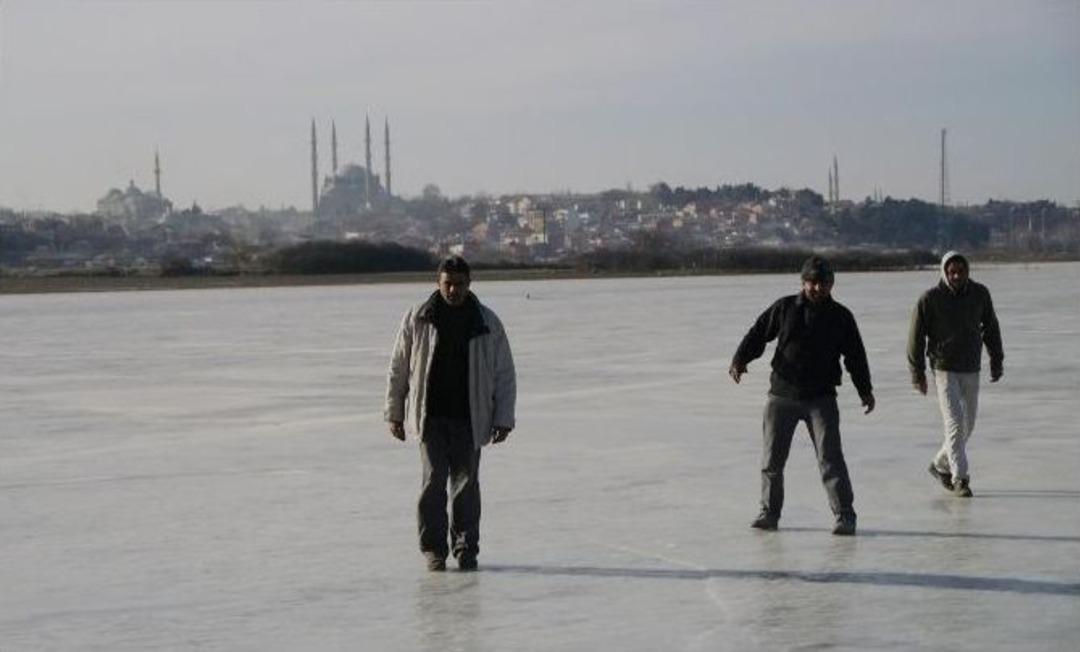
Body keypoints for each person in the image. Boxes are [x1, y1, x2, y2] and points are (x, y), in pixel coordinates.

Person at [385, 256, 517, 571]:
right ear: (438, 283)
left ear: (469, 284)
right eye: (448, 283)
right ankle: (433, 549)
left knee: (466, 486)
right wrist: (395, 412)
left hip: (470, 418)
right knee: (433, 483)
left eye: (459, 284)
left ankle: (466, 549)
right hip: (430, 418)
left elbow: (504, 373)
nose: (453, 290)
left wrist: (503, 418)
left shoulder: (487, 321)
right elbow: (398, 367)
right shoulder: (417, 318)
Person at [729, 256, 875, 536]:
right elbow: (759, 333)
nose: (817, 288)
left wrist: (864, 390)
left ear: (831, 284)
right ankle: (769, 513)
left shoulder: (841, 316)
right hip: (781, 395)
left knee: (830, 458)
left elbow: (855, 356)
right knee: (772, 460)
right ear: (803, 282)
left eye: (823, 283)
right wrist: (740, 359)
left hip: (821, 398)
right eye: (812, 283)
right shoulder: (785, 308)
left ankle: (845, 515)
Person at [907, 251, 1003, 498]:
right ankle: (960, 478)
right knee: (954, 422)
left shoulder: (980, 294)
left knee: (968, 424)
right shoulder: (930, 299)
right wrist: (917, 373)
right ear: (944, 272)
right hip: (944, 368)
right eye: (952, 271)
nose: (957, 275)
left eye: (961, 271)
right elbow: (915, 338)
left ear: (968, 271)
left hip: (971, 366)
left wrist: (996, 359)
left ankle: (940, 464)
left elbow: (990, 327)